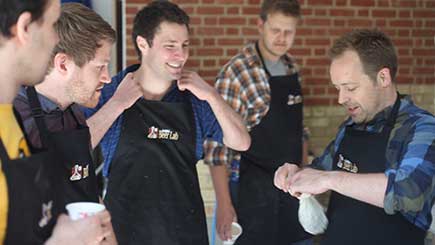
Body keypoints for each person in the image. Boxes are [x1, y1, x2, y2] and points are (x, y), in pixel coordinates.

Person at [83, 1, 250, 244]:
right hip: (122, 234)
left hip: (185, 233)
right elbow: (75, 148)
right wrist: (118, 103)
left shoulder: (195, 100)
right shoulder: (110, 92)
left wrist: (212, 95)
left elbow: (242, 141)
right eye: (170, 46)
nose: (180, 56)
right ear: (143, 44)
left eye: (184, 46)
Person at [274, 29, 435, 245]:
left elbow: (410, 192)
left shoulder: (421, 127)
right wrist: (297, 174)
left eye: (350, 87)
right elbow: (321, 170)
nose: (341, 98)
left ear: (383, 77)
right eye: (337, 88)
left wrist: (331, 179)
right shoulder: (350, 126)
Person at [0, 0, 112, 244]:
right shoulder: (18, 116)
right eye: (52, 26)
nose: (55, 40)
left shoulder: (9, 117)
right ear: (25, 28)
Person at [203, 0, 312, 244]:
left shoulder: (292, 67)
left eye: (289, 32)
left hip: (291, 189)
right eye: (276, 30)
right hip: (249, 193)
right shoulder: (236, 72)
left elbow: (299, 130)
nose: (282, 38)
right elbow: (215, 149)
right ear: (260, 25)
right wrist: (223, 204)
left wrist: (305, 173)